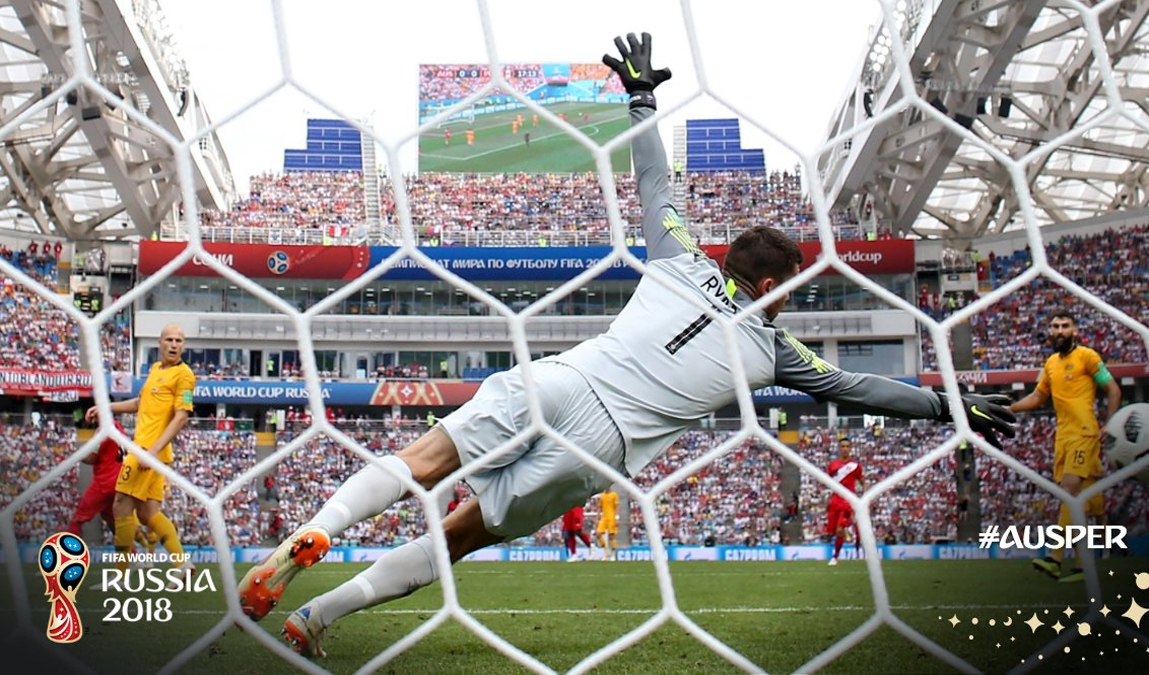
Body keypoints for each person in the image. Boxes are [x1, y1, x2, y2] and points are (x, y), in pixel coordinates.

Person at [239, 32, 1015, 658]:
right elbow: (858, 389)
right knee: (458, 536)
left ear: (728, 258)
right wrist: (943, 402)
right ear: (774, 282)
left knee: (420, 462)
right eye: (793, 282)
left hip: (562, 382)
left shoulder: (681, 254)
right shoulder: (776, 350)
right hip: (600, 446)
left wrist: (641, 95)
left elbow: (653, 182)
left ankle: (320, 530)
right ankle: (320, 618)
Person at [1010, 310, 1121, 583]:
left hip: (1085, 434)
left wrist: (1110, 423)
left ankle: (1055, 558)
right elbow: (1037, 397)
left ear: (1075, 331)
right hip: (1063, 438)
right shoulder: (1050, 363)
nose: (1059, 330)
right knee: (1082, 505)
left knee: (1070, 491)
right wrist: (1008, 408)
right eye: (1055, 326)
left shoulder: (1088, 356)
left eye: (1065, 326)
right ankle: (1084, 567)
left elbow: (1114, 390)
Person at [87, 324, 195, 579]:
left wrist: (152, 451)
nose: (173, 344)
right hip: (150, 451)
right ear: (160, 342)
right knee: (148, 514)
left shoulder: (185, 376)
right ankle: (182, 565)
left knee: (120, 506)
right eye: (169, 339)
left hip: (148, 451)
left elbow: (181, 417)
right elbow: (140, 403)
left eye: (179, 340)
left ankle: (120, 576)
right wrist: (108, 407)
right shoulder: (156, 370)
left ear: (183, 346)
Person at [65, 421, 128, 538]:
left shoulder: (102, 430)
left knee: (77, 520)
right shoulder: (120, 428)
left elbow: (91, 458)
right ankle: (131, 554)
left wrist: (77, 455)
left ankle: (65, 554)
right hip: (120, 481)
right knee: (113, 524)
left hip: (104, 483)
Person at [826, 438, 864, 566]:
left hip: (848, 501)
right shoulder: (832, 465)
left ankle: (835, 557)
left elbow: (862, 481)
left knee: (839, 529)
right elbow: (830, 481)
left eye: (847, 446)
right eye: (843, 446)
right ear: (839, 448)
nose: (845, 449)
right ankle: (849, 532)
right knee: (832, 531)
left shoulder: (855, 466)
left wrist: (865, 496)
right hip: (835, 500)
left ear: (851, 448)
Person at [596, 487, 619, 561]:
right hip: (604, 518)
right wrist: (598, 517)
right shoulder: (602, 496)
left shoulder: (614, 495)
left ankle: (613, 555)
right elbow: (600, 507)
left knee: (611, 536)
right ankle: (606, 552)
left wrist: (617, 518)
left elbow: (616, 507)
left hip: (611, 517)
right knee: (598, 534)